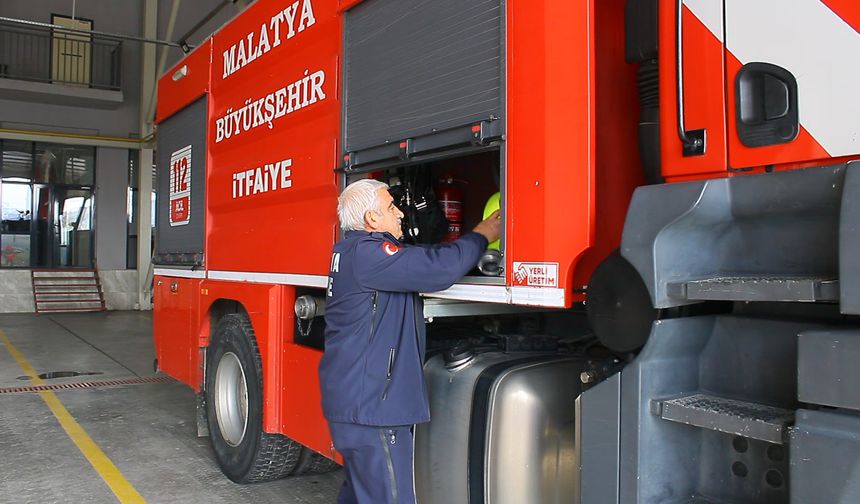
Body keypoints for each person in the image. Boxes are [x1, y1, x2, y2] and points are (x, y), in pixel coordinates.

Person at [319, 178, 501, 504]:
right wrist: (484, 233)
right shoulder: (370, 254)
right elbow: (438, 269)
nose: (401, 213)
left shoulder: (350, 251)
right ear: (372, 220)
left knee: (361, 494)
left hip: (354, 404)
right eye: (391, 207)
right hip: (374, 409)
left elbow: (420, 256)